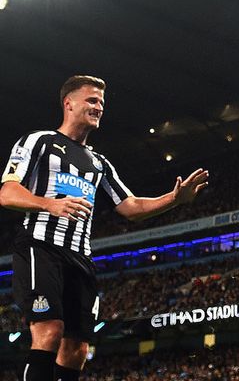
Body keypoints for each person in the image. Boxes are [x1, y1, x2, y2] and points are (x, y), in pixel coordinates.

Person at [0, 76, 209, 381]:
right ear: (68, 104)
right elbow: (6, 193)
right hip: (40, 247)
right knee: (49, 331)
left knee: (77, 350)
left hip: (81, 260)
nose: (99, 107)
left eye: (101, 103)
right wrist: (50, 204)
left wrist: (175, 199)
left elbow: (131, 207)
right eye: (92, 100)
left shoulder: (99, 163)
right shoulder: (39, 141)